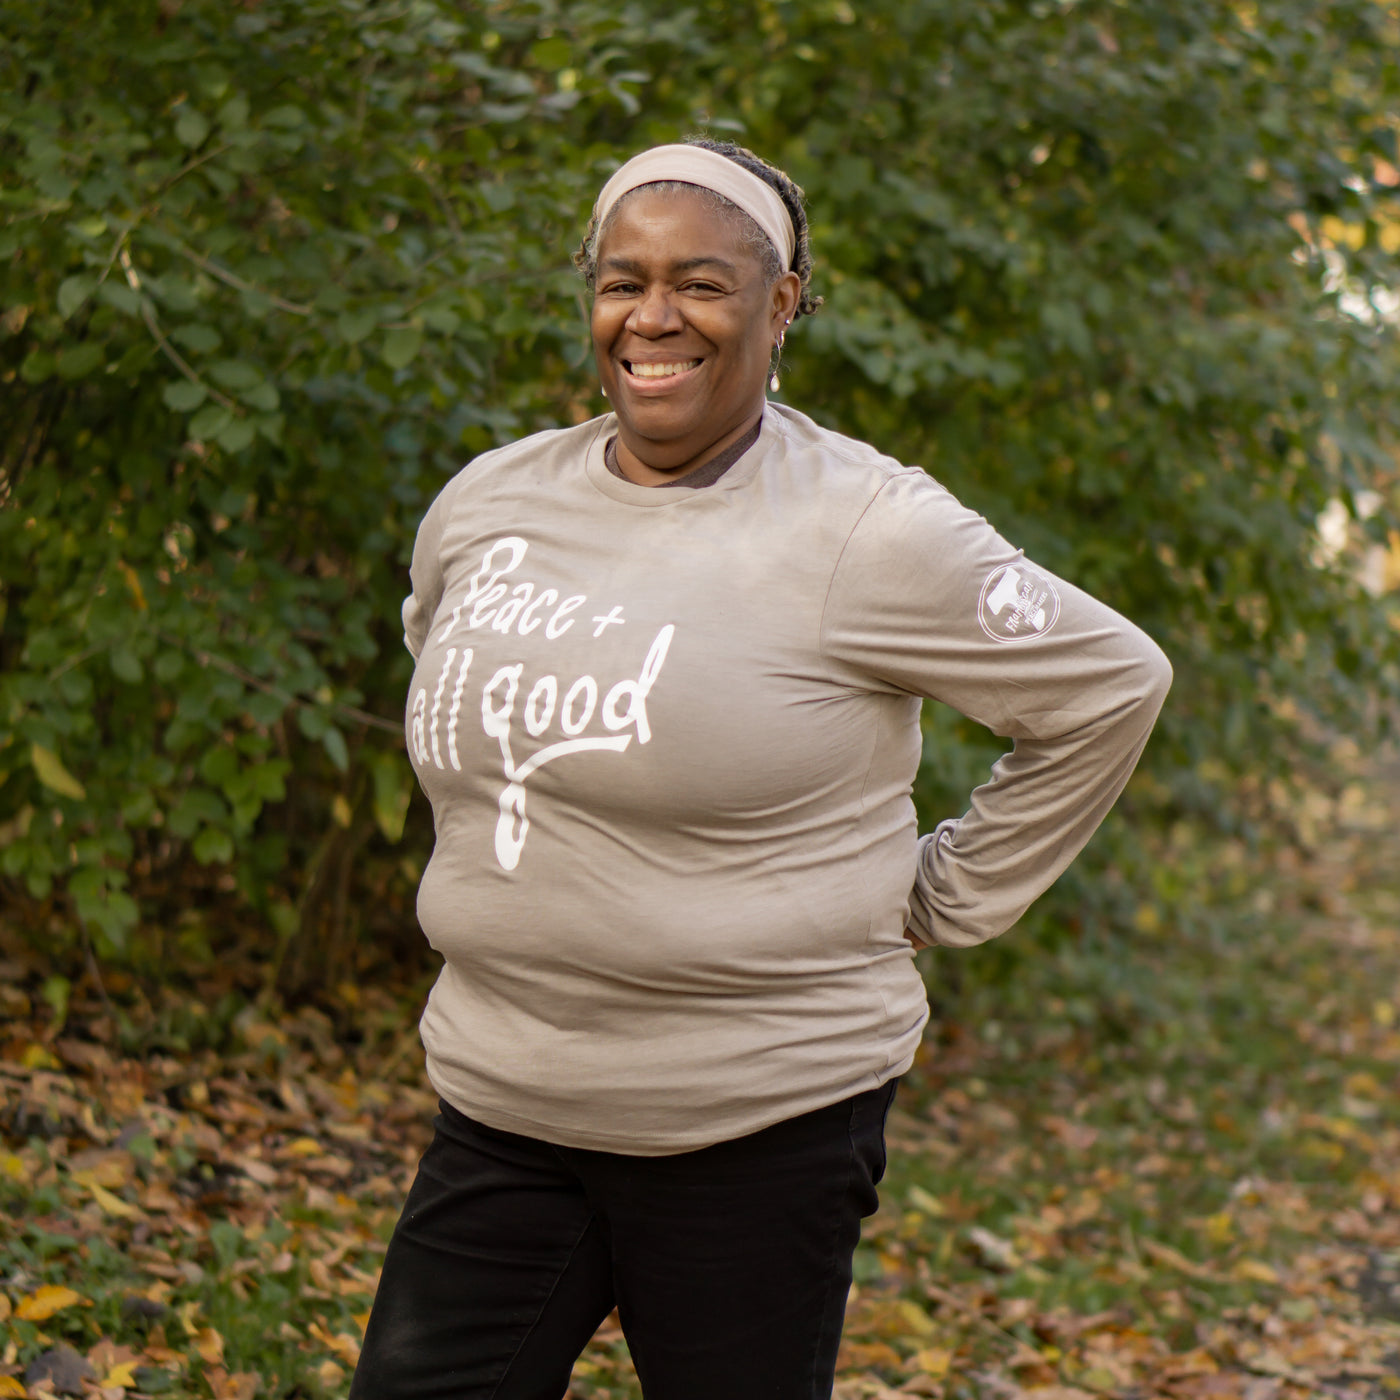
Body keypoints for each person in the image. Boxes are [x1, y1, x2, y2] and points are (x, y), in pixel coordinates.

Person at [350, 138, 1171, 1400]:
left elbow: (1106, 683)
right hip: (503, 1102)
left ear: (782, 301)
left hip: (753, 1124)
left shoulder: (868, 526)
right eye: (621, 281)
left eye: (702, 282)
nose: (652, 316)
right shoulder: (489, 503)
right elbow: (445, 664)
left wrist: (943, 892)